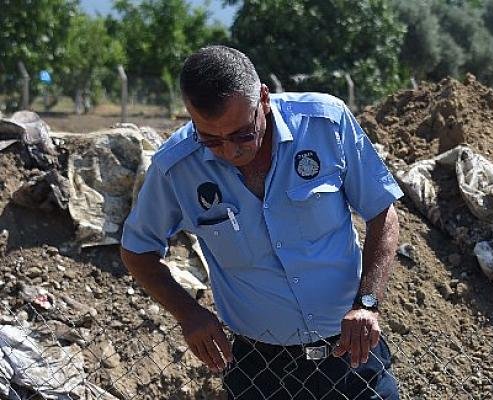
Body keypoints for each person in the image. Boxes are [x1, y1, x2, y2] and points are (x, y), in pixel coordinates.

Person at [120, 45, 402, 399]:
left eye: (242, 134)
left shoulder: (325, 124)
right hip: (261, 371)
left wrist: (367, 304)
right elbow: (138, 251)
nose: (230, 152)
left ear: (264, 99)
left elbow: (383, 213)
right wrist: (189, 314)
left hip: (351, 354)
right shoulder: (176, 168)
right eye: (211, 140)